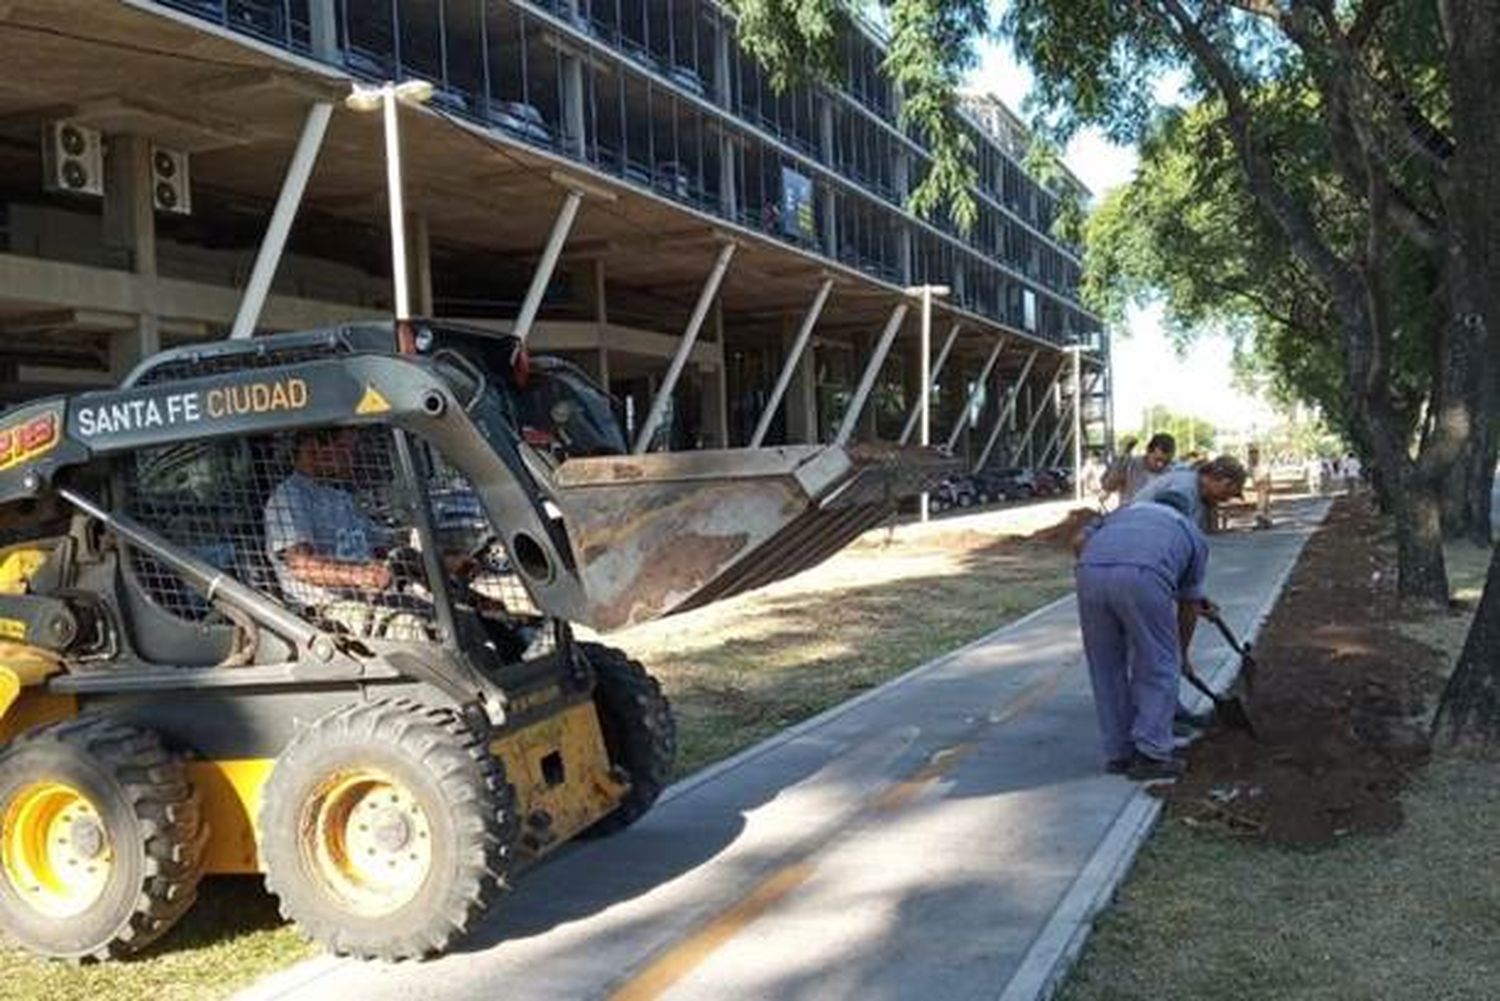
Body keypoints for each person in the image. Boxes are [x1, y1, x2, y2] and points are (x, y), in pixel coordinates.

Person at [1074, 489, 1215, 780]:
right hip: (1143, 575)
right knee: (1158, 663)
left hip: (1089, 571)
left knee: (1105, 666)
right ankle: (1151, 753)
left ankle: (1118, 753)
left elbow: (1078, 541)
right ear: (1186, 512)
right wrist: (1181, 655)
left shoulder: (1122, 514)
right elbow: (1187, 606)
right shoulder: (1190, 530)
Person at [264, 428, 425, 640]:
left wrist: (428, 547)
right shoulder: (288, 498)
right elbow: (302, 565)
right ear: (313, 448)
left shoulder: (340, 498)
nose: (350, 458)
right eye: (343, 449)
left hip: (368, 599)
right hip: (323, 611)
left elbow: (382, 541)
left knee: (442, 611)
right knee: (407, 627)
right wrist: (360, 575)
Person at [1131, 454, 1248, 531]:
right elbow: (1165, 531)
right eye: (1228, 494)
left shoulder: (1201, 494)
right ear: (1224, 483)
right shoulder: (1183, 491)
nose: (1226, 500)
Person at [1101, 432, 1176, 505]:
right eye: (1157, 460)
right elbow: (1107, 486)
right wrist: (1120, 460)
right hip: (1130, 514)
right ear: (1148, 451)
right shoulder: (1130, 465)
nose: (1160, 465)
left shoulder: (1172, 472)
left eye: (1166, 462)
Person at [1248, 444, 1273, 529]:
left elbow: (1267, 474)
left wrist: (1268, 484)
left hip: (1263, 484)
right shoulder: (1251, 464)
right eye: (1251, 453)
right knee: (1264, 504)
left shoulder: (1261, 463)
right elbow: (1252, 475)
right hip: (1259, 486)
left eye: (1254, 453)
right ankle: (1265, 522)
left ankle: (1264, 522)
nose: (1252, 455)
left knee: (1262, 504)